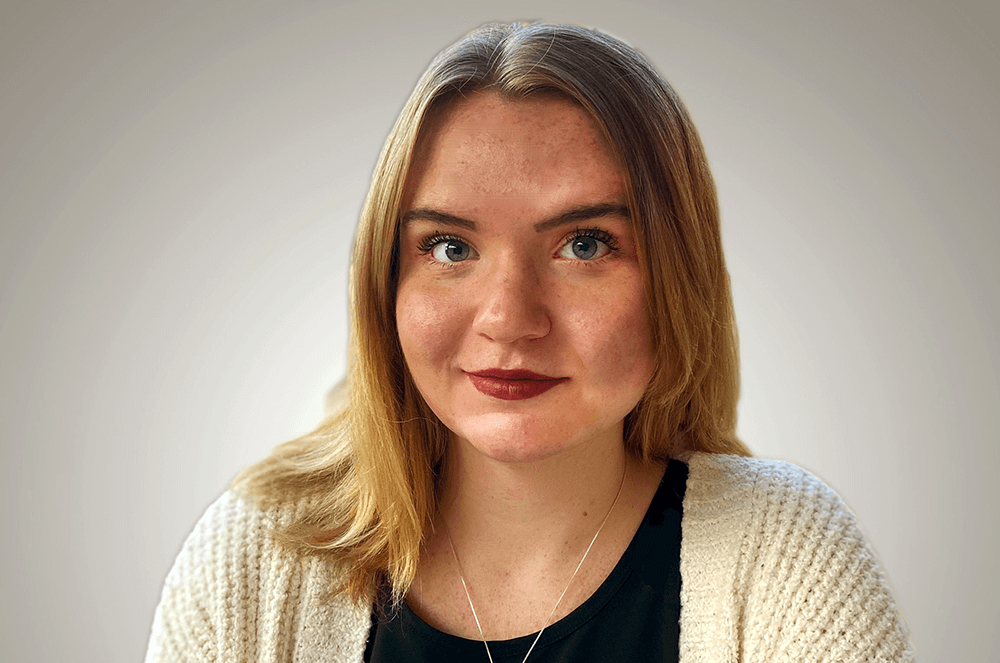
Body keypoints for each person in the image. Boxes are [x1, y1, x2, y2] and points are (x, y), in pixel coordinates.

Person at [145, 22, 913, 662]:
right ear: (385, 286)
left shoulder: (790, 560)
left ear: (677, 279)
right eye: (449, 247)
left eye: (584, 244)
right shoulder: (252, 560)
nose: (509, 319)